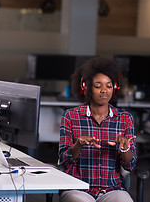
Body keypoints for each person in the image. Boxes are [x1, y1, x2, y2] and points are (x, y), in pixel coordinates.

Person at [59, 57, 137, 202]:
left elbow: (130, 165)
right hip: (78, 187)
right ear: (86, 87)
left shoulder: (125, 119)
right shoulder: (70, 116)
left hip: (112, 189)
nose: (104, 91)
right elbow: (65, 162)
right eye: (98, 86)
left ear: (115, 87)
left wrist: (125, 149)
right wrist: (79, 144)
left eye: (109, 85)